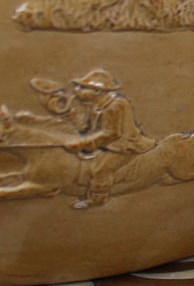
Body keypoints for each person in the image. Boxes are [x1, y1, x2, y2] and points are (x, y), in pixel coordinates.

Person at [63, 69, 155, 208]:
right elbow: (89, 129)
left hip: (124, 145)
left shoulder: (115, 105)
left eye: (83, 87)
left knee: (100, 169)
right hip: (107, 143)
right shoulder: (95, 106)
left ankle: (98, 199)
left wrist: (85, 144)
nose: (76, 90)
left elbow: (112, 134)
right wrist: (74, 117)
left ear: (97, 91)